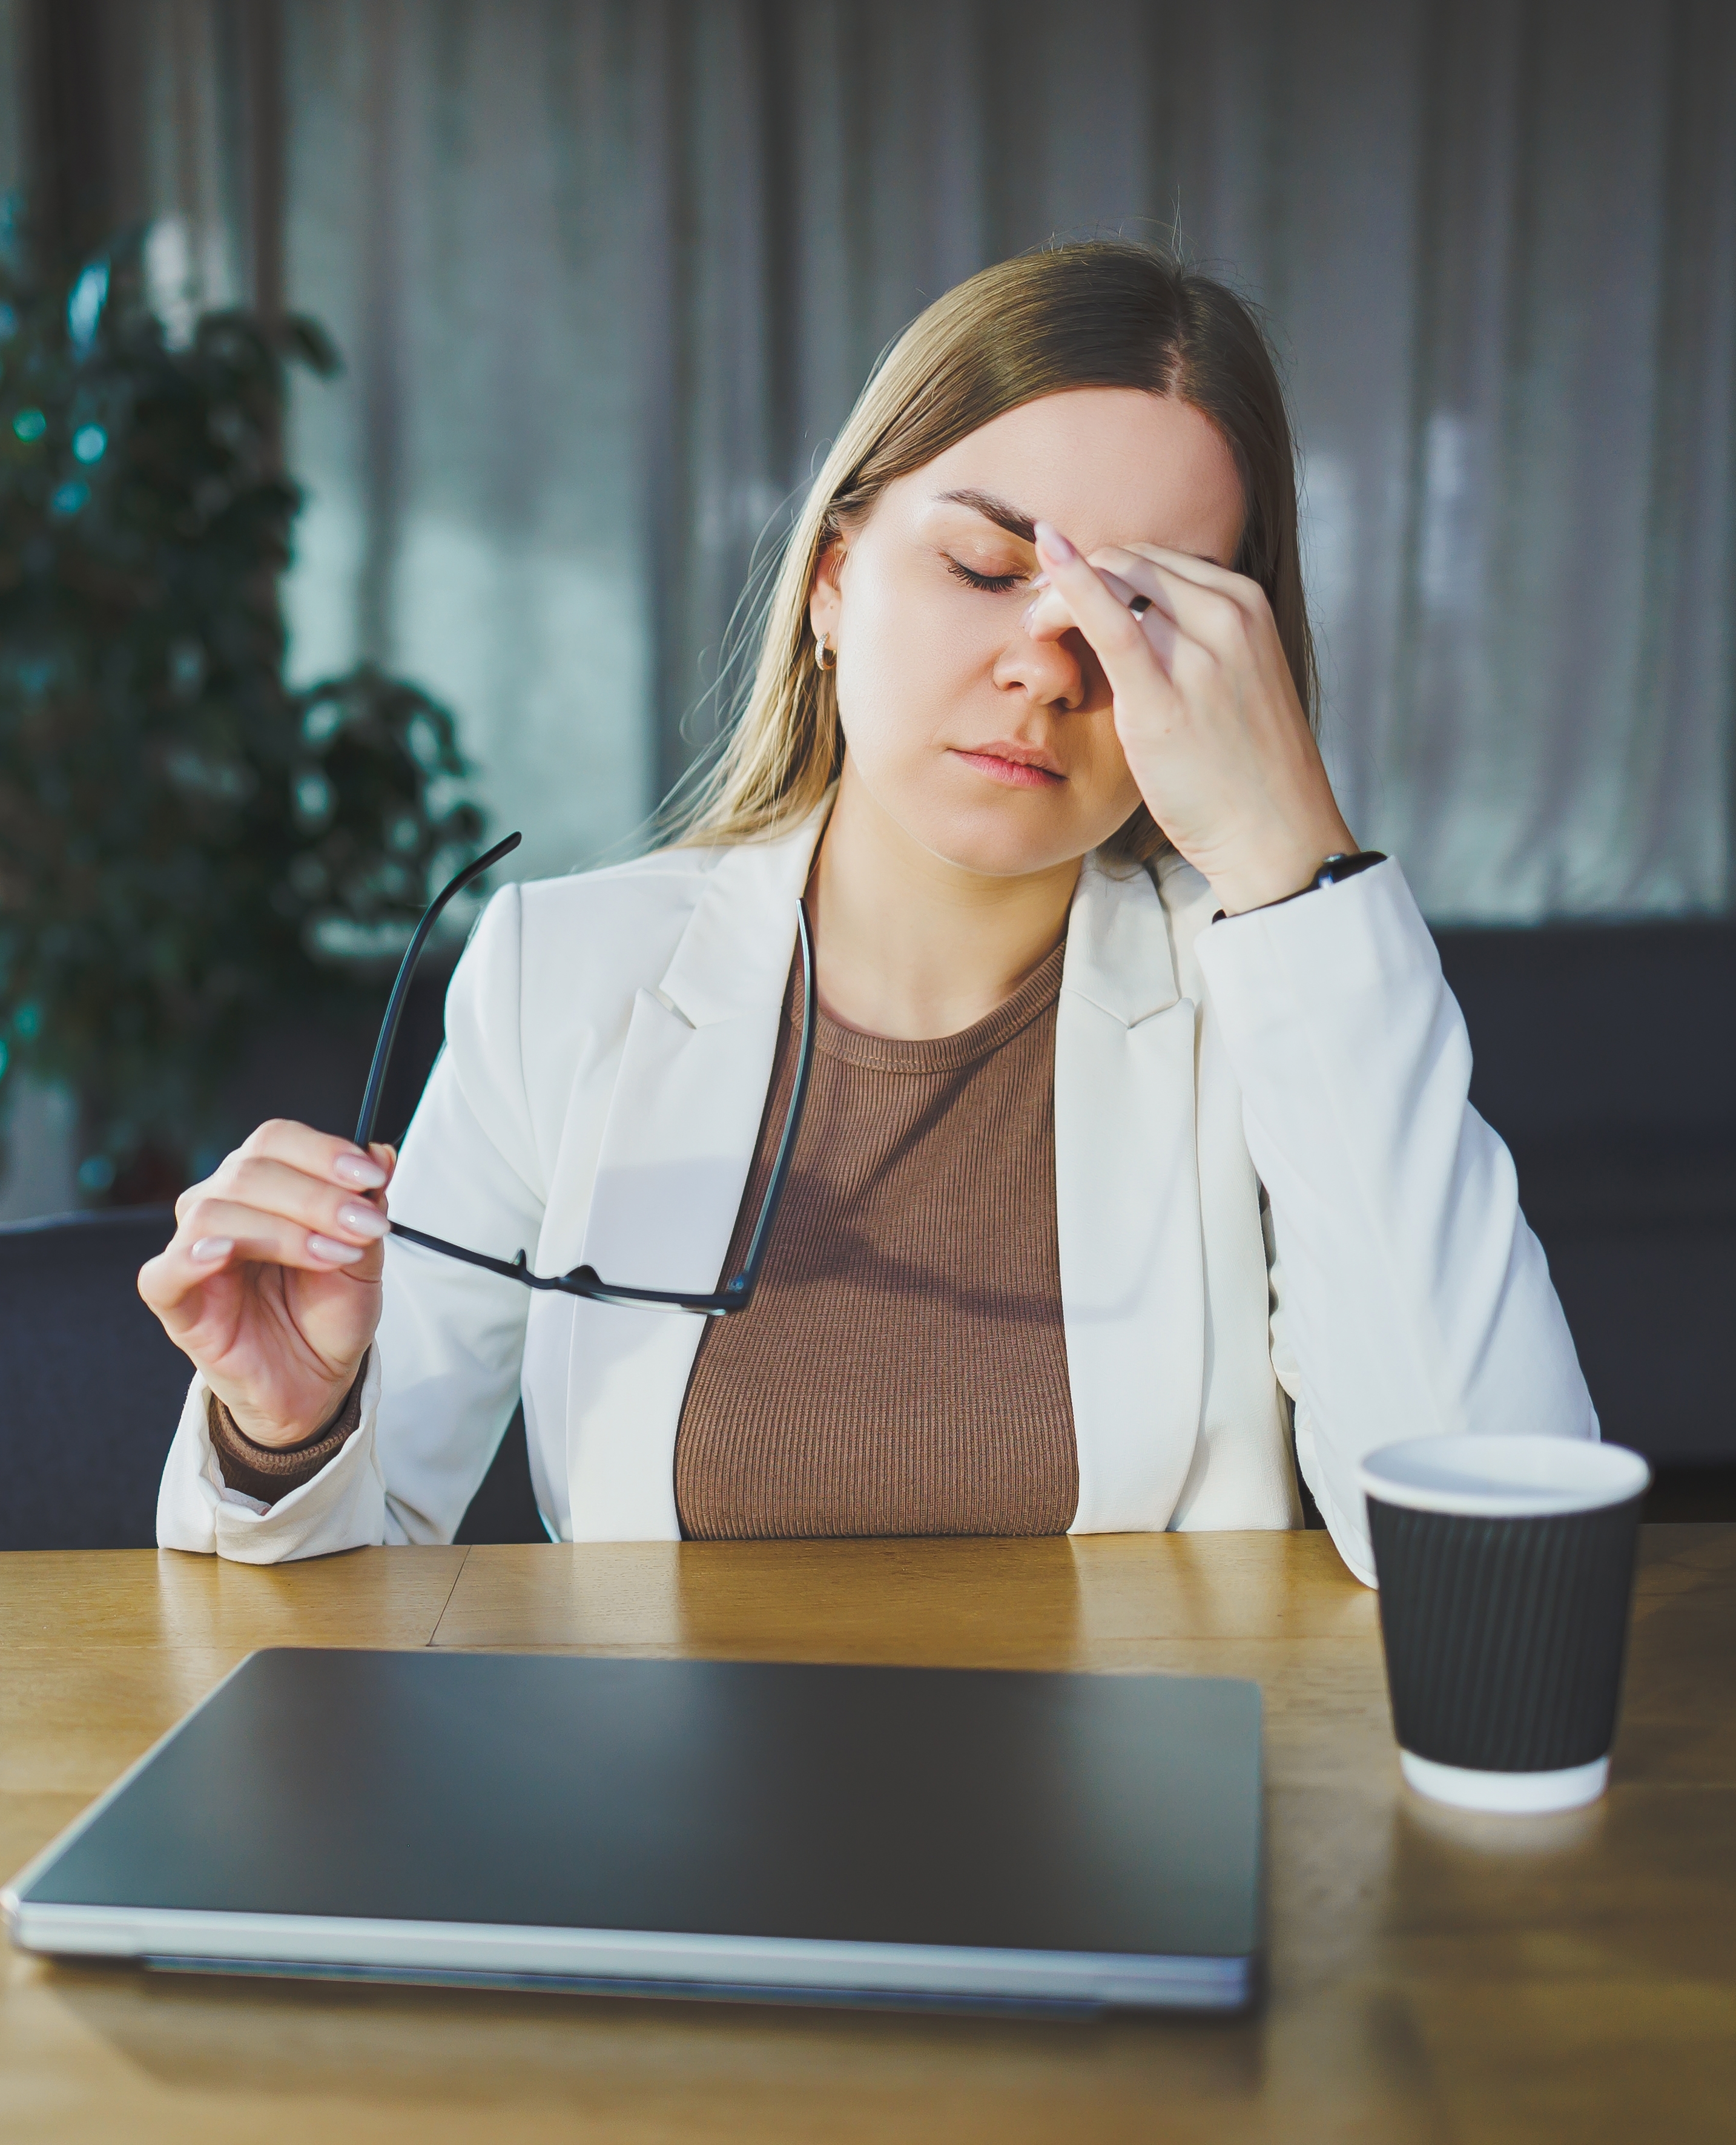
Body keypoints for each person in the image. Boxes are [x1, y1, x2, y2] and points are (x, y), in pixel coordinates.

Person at [138, 240, 1595, 1580]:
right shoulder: (561, 978)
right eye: (985, 565)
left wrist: (1293, 862)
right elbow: (364, 1564)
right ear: (834, 581)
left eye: (1140, 610)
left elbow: (1492, 1543)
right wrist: (286, 1430)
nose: (1049, 664)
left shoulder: (1278, 997)